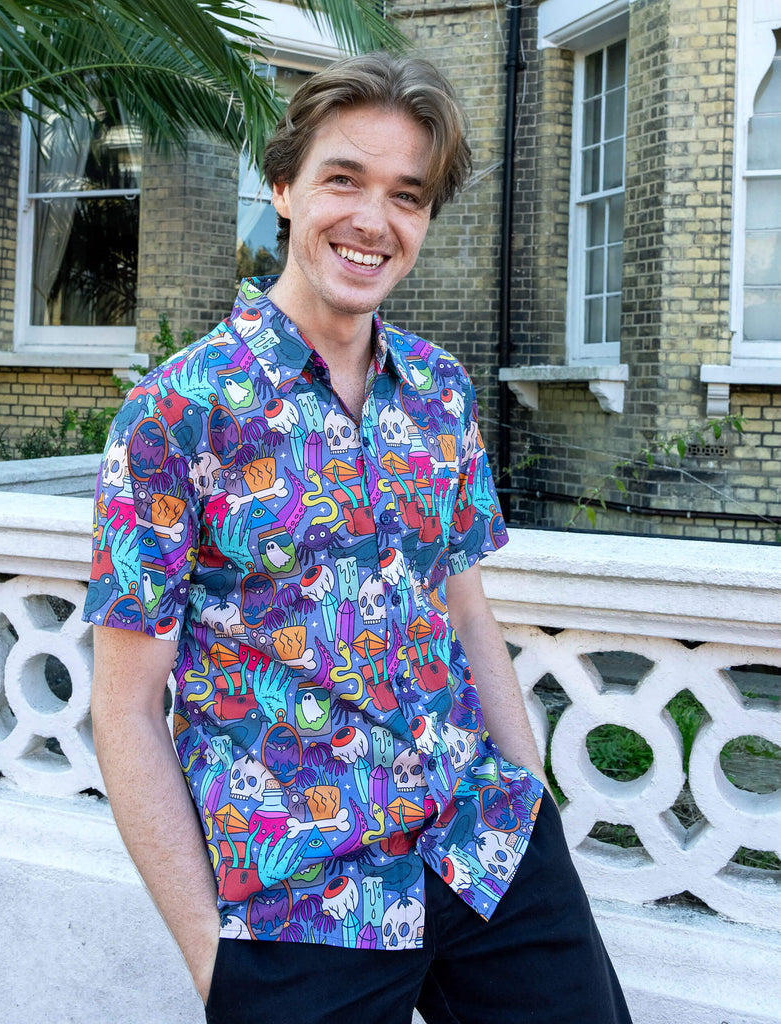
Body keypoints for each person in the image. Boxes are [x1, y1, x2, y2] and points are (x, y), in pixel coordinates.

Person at [85, 52, 631, 1024]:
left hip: (486, 847)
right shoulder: (175, 414)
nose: (374, 220)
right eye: (345, 178)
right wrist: (218, 965)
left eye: (407, 195)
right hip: (301, 896)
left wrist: (531, 803)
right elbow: (125, 709)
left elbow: (467, 613)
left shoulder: (441, 390)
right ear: (285, 186)